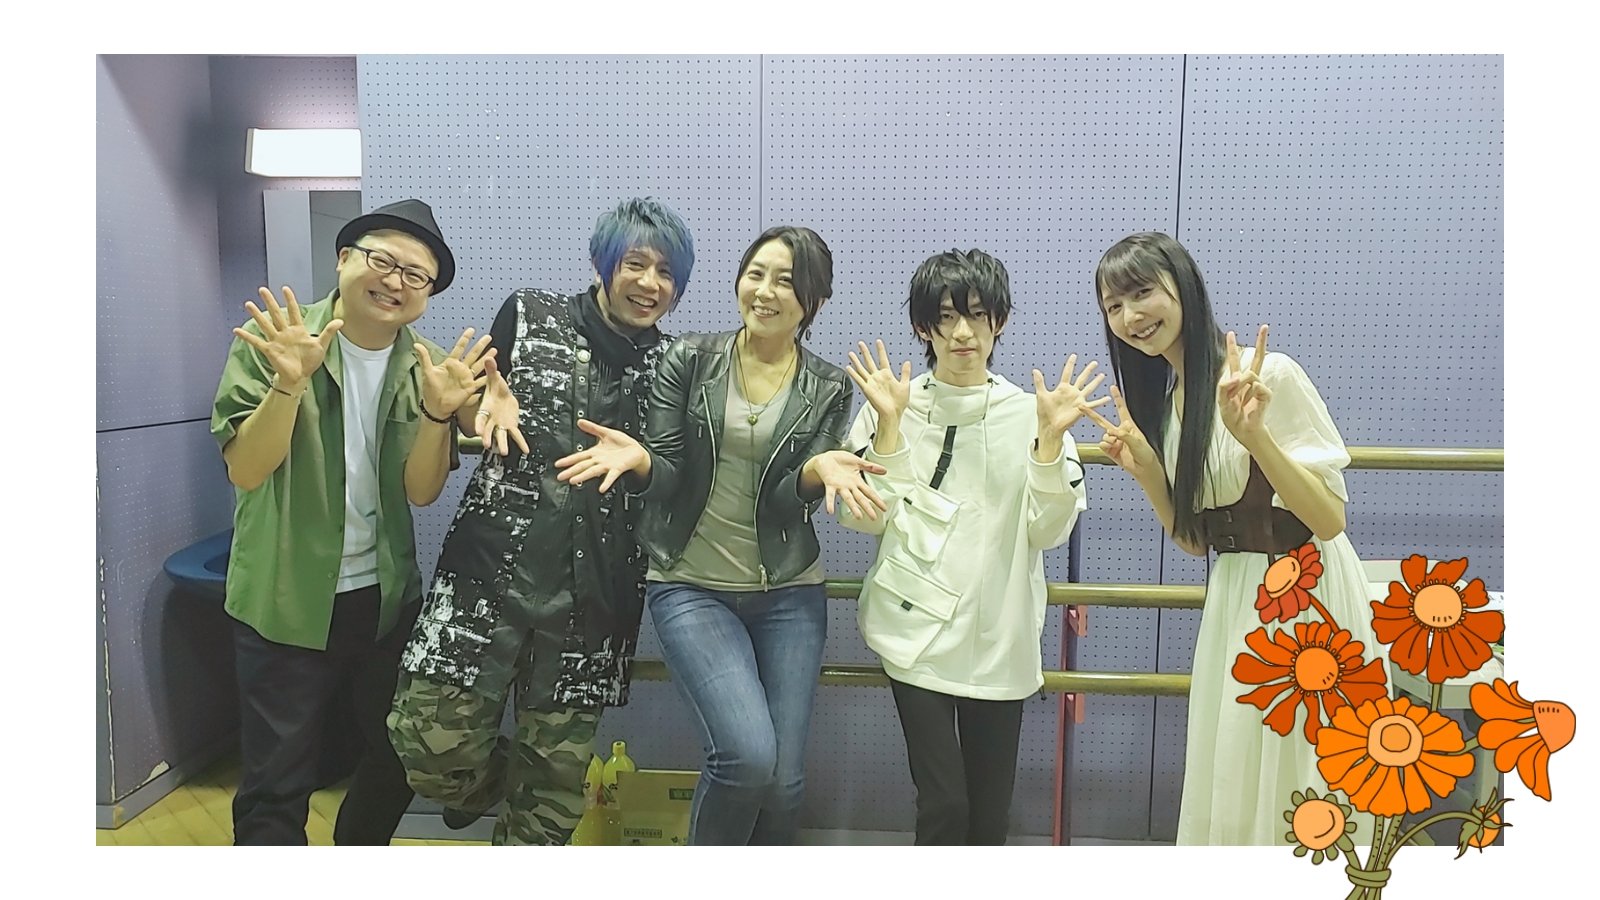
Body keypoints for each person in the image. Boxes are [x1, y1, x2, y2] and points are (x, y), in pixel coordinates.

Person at [553, 225, 886, 845]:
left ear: (813, 299)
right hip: (691, 584)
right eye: (755, 274)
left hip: (789, 592)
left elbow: (787, 499)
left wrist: (815, 471)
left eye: (785, 281)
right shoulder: (690, 359)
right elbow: (669, 471)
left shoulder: (828, 385)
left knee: (783, 784)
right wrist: (642, 461)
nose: (764, 292)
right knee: (746, 757)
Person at [386, 198, 695, 846]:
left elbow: (682, 477)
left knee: (549, 808)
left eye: (667, 271)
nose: (650, 283)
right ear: (603, 263)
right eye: (636, 264)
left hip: (594, 603)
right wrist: (471, 406)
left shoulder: (678, 366)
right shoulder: (530, 314)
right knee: (427, 748)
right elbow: (477, 404)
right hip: (484, 581)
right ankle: (502, 786)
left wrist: (645, 464)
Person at [1077, 232, 1379, 845]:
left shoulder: (1268, 374)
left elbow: (1329, 519)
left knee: (1302, 769)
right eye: (1114, 306)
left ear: (1183, 288)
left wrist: (1256, 437)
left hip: (1306, 593)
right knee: (1239, 766)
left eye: (1142, 293)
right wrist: (1148, 473)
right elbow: (1198, 542)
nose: (1131, 316)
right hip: (1237, 596)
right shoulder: (1169, 406)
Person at [212, 198, 486, 845]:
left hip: (382, 600)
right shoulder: (280, 340)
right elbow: (246, 470)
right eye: (382, 261)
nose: (395, 282)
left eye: (415, 275)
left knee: (398, 753)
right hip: (283, 597)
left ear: (427, 295)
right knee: (276, 784)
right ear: (343, 260)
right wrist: (287, 384)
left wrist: (440, 414)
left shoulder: (426, 366)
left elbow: (420, 493)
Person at [837, 248, 1095, 844]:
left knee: (988, 817)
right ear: (922, 327)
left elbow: (1048, 532)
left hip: (1000, 635)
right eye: (946, 317)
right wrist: (891, 429)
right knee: (944, 806)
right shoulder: (892, 403)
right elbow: (863, 518)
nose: (962, 333)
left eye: (977, 315)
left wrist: (1048, 446)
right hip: (913, 636)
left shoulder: (1030, 413)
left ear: (999, 321)